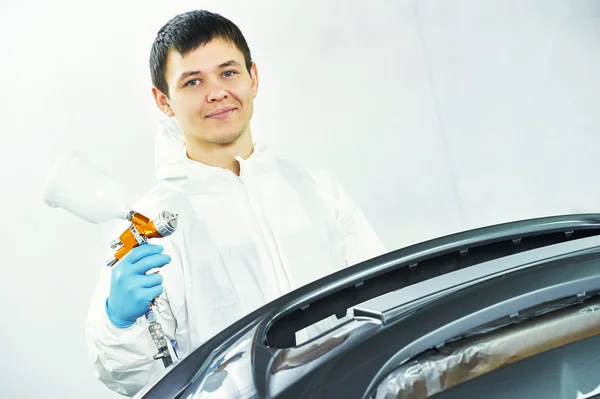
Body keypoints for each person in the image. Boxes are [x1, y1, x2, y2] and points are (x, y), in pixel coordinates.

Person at [84, 9, 386, 397]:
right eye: (192, 81)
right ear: (164, 101)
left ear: (253, 77)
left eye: (228, 73)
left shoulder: (313, 188)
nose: (216, 93)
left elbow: (382, 296)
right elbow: (130, 376)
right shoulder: (149, 227)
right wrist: (119, 324)